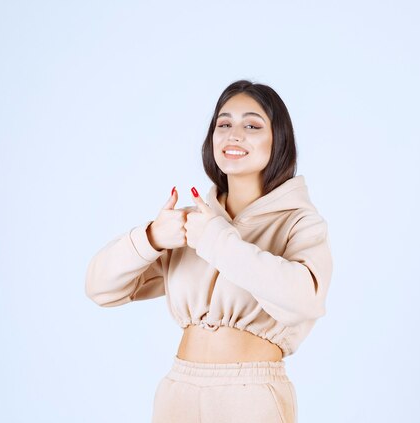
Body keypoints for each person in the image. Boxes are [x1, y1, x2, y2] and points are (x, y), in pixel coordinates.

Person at [85, 79, 333, 423]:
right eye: (224, 124)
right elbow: (100, 289)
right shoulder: (192, 222)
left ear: (279, 140)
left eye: (251, 125)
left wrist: (217, 241)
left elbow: (305, 301)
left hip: (251, 397)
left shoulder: (300, 222)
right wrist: (152, 238)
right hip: (178, 392)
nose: (234, 134)